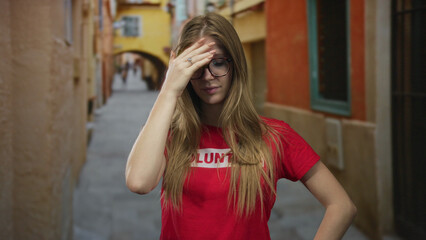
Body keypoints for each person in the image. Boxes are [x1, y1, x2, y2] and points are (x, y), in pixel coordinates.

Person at [125, 13, 356, 240]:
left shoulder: (273, 135)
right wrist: (169, 89)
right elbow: (139, 182)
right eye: (196, 66)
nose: (208, 76)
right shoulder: (169, 133)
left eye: (218, 63)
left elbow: (341, 206)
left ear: (235, 64)